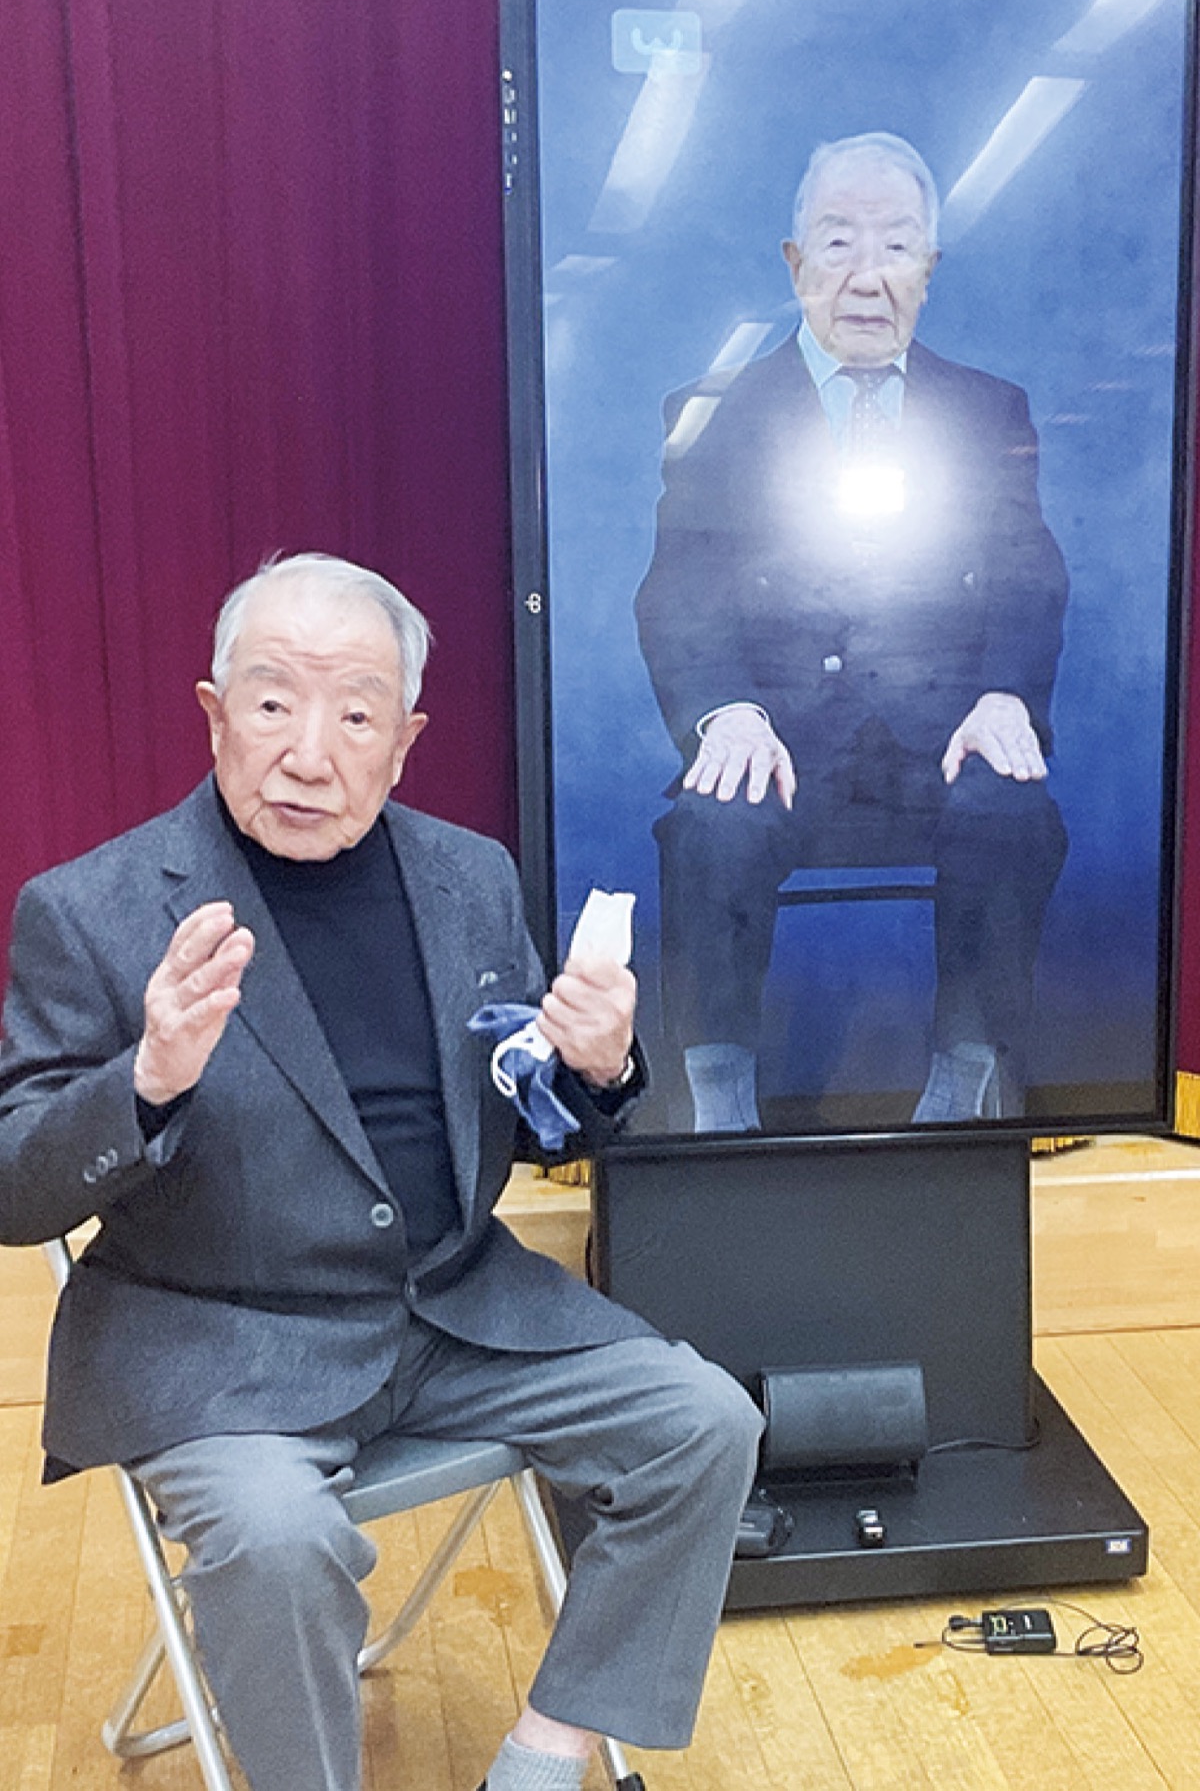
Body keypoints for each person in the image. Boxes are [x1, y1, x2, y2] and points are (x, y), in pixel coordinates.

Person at [0, 554, 762, 1791]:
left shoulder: (470, 877)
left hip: (457, 1312)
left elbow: (529, 1106)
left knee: (705, 1424)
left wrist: (600, 1065)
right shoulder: (90, 911)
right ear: (214, 714)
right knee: (275, 1539)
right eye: (272, 703)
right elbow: (13, 1186)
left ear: (403, 743)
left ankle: (546, 1759)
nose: (309, 754)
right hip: (224, 1347)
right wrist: (145, 1079)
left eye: (355, 715)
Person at [635, 133, 1069, 1131]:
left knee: (1014, 811)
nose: (867, 276)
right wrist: (725, 711)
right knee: (711, 824)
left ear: (929, 270)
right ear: (795, 264)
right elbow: (679, 586)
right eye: (837, 243)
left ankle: (961, 1097)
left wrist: (1004, 693)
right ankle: (717, 1114)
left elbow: (1027, 572)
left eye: (897, 246)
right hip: (782, 743)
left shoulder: (991, 409)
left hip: (940, 741)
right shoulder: (713, 413)